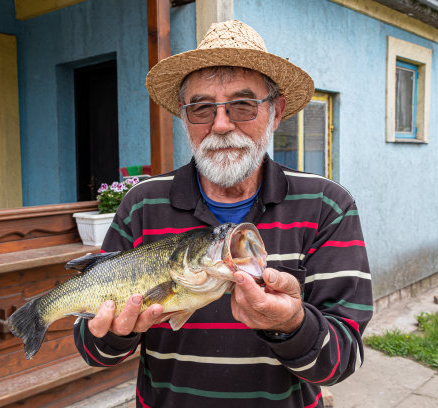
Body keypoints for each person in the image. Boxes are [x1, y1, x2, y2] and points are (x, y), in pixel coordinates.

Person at [74, 20, 373, 407]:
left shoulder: (326, 204)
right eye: (201, 108)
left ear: (276, 112)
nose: (220, 124)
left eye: (243, 105)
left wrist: (291, 324)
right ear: (185, 117)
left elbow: (343, 361)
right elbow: (94, 351)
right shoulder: (142, 203)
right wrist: (115, 333)